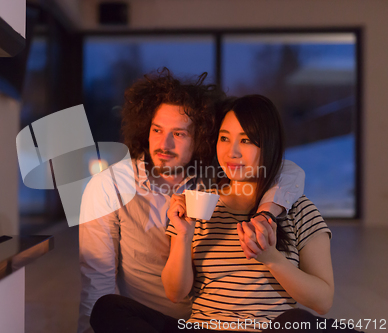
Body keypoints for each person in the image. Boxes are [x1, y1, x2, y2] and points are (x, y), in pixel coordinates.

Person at [90, 95, 354, 333]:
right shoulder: (200, 201)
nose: (232, 152)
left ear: (269, 145)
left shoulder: (297, 208)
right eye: (225, 138)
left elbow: (322, 301)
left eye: (247, 141)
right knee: (108, 308)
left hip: (268, 330)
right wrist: (182, 236)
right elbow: (175, 293)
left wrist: (272, 259)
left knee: (295, 321)